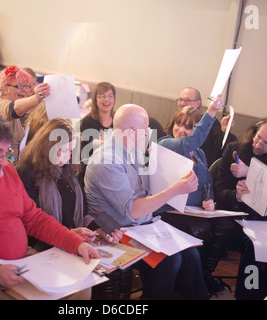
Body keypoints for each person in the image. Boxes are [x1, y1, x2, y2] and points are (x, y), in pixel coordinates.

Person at [0, 111, 100, 299]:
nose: (4, 163)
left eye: (7, 153)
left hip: (24, 262)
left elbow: (35, 219)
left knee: (81, 287)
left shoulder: (6, 171)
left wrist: (75, 243)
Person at [84, 103, 209, 300]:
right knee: (170, 260)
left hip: (142, 227)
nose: (147, 133)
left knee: (190, 255)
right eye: (145, 128)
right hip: (116, 231)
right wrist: (176, 189)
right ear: (133, 131)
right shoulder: (107, 160)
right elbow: (132, 210)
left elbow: (145, 190)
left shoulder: (132, 151)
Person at [157, 96, 236, 294]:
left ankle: (203, 278)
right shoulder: (167, 144)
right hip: (169, 211)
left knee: (224, 225)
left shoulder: (198, 154)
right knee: (202, 231)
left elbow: (207, 182)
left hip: (192, 211)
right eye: (178, 124)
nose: (181, 130)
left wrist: (207, 200)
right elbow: (190, 142)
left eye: (188, 127)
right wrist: (211, 112)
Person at [214, 116, 267, 299]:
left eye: (266, 143)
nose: (258, 144)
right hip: (235, 213)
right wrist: (236, 195)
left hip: (264, 215)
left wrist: (251, 173)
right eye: (258, 137)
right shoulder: (235, 149)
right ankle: (246, 294)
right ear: (254, 132)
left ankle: (266, 293)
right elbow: (218, 190)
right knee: (254, 248)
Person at [16, 118, 122, 251]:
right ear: (44, 146)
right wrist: (68, 234)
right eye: (58, 149)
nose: (62, 155)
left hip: (71, 244)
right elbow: (30, 223)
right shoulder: (26, 173)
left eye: (68, 151)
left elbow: (83, 212)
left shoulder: (68, 170)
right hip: (43, 248)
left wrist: (99, 229)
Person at [0, 65, 50, 160]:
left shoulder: (18, 106)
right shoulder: (0, 103)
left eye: (26, 86)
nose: (25, 90)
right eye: (19, 86)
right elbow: (14, 109)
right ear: (4, 87)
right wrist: (37, 98)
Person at [176, 87, 237, 167]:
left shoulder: (211, 123)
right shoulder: (174, 123)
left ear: (198, 103)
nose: (182, 103)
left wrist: (224, 132)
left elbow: (220, 151)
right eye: (180, 99)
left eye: (187, 100)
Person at [80, 82, 116, 163]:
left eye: (110, 96)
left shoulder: (118, 119)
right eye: (102, 96)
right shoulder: (87, 121)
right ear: (95, 99)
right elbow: (86, 149)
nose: (106, 99)